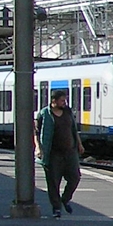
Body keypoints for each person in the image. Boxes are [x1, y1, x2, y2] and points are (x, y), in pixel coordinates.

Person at [35, 89, 85, 218]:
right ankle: (56, 208)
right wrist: (39, 148)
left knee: (75, 177)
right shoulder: (44, 114)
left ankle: (65, 199)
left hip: (70, 151)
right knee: (53, 182)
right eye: (62, 100)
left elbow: (73, 129)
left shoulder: (68, 112)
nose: (65, 102)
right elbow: (36, 132)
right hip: (53, 153)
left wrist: (79, 144)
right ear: (54, 101)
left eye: (65, 100)